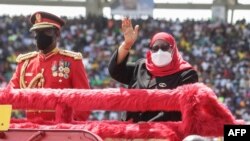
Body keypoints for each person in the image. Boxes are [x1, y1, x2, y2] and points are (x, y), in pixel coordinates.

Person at [108, 17, 198, 122]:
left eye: (164, 47)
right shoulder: (141, 66)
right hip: (129, 131)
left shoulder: (186, 74)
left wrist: (146, 127)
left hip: (162, 134)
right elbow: (115, 71)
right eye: (155, 48)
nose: (159, 51)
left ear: (173, 50)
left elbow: (180, 109)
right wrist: (127, 45)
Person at [8, 11, 90, 121]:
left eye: (45, 31)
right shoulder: (25, 64)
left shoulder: (72, 62)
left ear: (57, 34)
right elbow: (8, 97)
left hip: (61, 132)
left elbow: (84, 102)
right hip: (30, 131)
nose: (40, 36)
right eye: (37, 32)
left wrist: (69, 128)